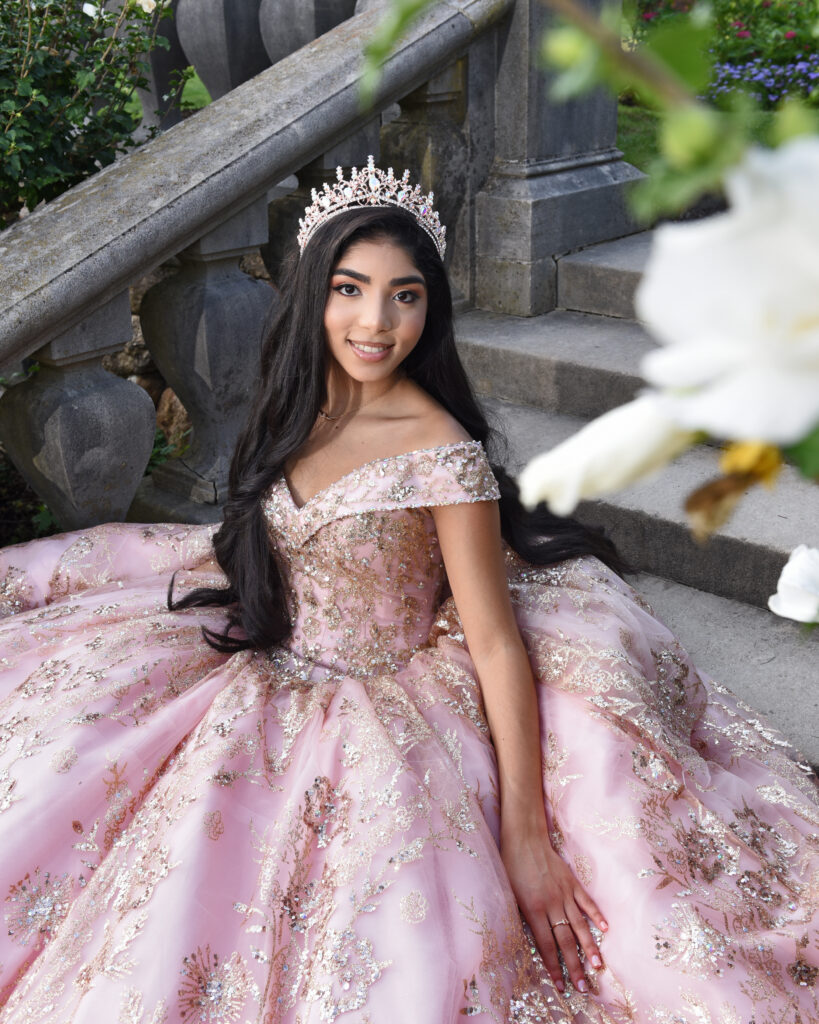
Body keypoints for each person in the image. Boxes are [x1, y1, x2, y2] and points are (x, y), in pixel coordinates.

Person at [0, 159, 817, 1024]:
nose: (375, 322)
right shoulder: (298, 406)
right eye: (351, 289)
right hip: (272, 665)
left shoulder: (441, 450)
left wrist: (525, 836)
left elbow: (495, 640)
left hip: (390, 700)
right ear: (315, 291)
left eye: (405, 295)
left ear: (430, 310)